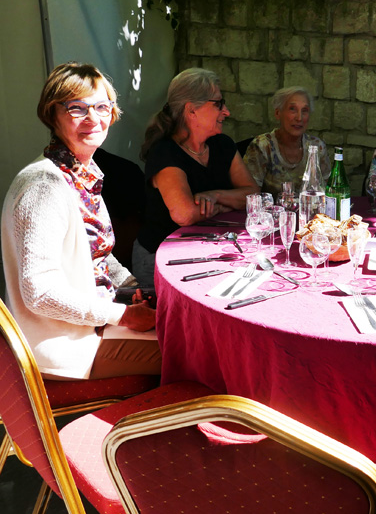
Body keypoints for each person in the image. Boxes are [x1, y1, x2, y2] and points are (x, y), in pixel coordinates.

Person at [1, 62, 160, 380]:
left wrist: (132, 289)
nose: (93, 118)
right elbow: (40, 293)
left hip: (89, 328)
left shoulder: (79, 174)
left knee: (185, 331)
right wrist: (123, 315)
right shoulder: (44, 185)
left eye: (102, 107)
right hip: (62, 346)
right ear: (52, 114)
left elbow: (95, 255)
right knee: (194, 351)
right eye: (77, 108)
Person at [133, 68, 258, 285]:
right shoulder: (165, 152)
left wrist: (215, 196)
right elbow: (186, 214)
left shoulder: (223, 145)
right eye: (218, 104)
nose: (226, 112)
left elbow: (253, 196)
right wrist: (228, 204)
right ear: (191, 110)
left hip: (210, 250)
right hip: (161, 257)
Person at [243, 86, 331, 197]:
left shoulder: (316, 147)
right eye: (292, 109)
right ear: (278, 113)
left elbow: (328, 191)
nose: (299, 118)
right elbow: (250, 194)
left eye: (304, 110)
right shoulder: (262, 146)